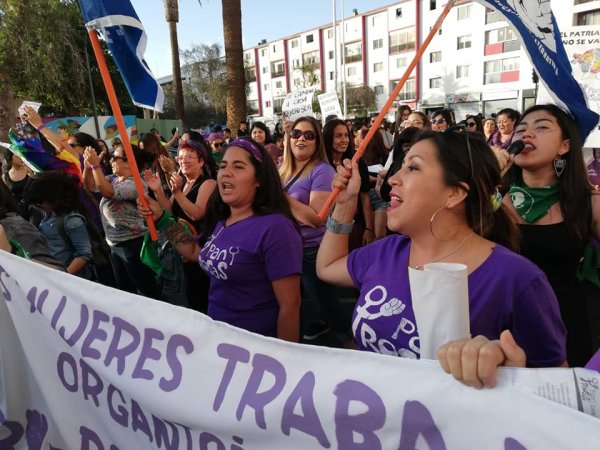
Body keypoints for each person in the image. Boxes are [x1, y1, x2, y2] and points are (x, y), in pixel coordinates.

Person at [316, 129, 566, 387]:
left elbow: (557, 386)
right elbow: (327, 267)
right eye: (400, 166)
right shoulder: (386, 251)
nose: (393, 179)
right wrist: (345, 204)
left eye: (412, 168)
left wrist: (506, 373)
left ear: (454, 194)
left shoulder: (516, 279)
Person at [140, 137, 303, 341]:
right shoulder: (222, 219)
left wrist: (282, 361)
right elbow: (193, 251)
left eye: (238, 166)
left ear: (259, 178)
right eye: (223, 166)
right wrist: (162, 220)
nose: (226, 172)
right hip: (218, 342)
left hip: (256, 349)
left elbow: (290, 305)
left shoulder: (277, 228)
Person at [496, 103, 600, 367]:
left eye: (541, 127)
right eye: (520, 130)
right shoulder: (493, 202)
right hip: (501, 326)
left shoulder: (588, 203)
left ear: (564, 146)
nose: (526, 134)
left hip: (566, 325)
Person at [279, 116, 349, 342]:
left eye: (309, 135)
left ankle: (348, 340)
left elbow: (316, 218)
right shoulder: (280, 169)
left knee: (325, 302)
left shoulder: (322, 171)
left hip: (310, 250)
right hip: (282, 248)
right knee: (290, 302)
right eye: (296, 133)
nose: (301, 138)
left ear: (317, 141)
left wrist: (280, 196)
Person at [147, 139, 217, 312]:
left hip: (198, 252)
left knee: (198, 302)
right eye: (181, 157)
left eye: (190, 157)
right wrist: (158, 191)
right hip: (179, 252)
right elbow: (168, 212)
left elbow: (197, 212)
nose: (183, 160)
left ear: (201, 161)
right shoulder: (184, 184)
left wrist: (177, 192)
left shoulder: (208, 183)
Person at [83, 143, 161, 299]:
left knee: (147, 292)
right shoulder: (113, 178)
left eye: (115, 157)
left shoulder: (135, 183)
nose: (111, 160)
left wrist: (96, 166)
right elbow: (90, 186)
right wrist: (88, 166)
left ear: (128, 162)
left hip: (133, 245)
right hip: (116, 245)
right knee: (126, 292)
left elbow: (108, 192)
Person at [23, 172, 95, 280]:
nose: (38, 207)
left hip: (72, 280)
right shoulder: (49, 214)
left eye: (40, 203)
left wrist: (63, 277)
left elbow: (84, 254)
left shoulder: (72, 220)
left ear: (53, 198)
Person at [324, 119, 374, 249]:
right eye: (338, 136)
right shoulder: (321, 167)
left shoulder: (357, 163)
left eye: (346, 135)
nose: (344, 140)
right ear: (328, 138)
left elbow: (365, 197)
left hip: (355, 225)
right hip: (328, 227)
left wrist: (369, 228)